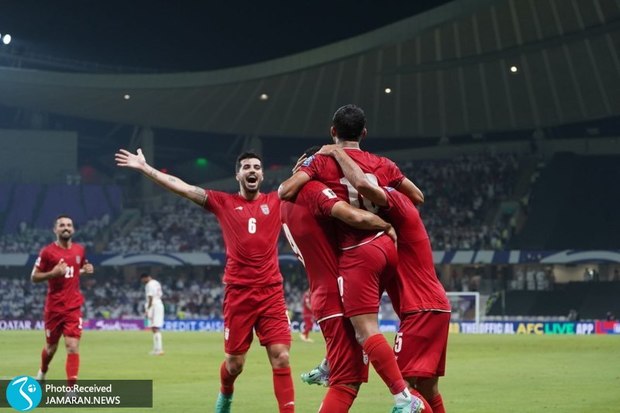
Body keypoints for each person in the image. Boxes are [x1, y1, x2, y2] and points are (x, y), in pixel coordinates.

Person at [115, 149, 294, 413]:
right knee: (235, 365)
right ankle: (225, 393)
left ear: (263, 174)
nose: (252, 170)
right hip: (238, 295)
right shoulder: (223, 202)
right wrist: (145, 168)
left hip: (271, 293)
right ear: (238, 174)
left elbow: (304, 179)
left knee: (281, 357)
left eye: (256, 166)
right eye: (246, 167)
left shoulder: (276, 199)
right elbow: (183, 188)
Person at [279, 105, 425, 413]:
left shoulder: (306, 186)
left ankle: (401, 397)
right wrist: (387, 219)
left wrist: (317, 161)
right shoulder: (382, 163)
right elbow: (415, 198)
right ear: (365, 133)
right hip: (382, 253)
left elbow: (327, 206)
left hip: (344, 272)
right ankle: (344, 368)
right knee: (349, 378)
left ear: (332, 133)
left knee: (353, 362)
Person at [320, 145, 452, 413]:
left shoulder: (394, 201)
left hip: (420, 309)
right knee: (428, 388)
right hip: (436, 306)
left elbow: (364, 186)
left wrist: (337, 153)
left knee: (403, 388)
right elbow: (419, 195)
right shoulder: (406, 205)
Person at [281, 147, 397, 412]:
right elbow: (351, 214)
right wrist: (385, 225)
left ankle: (328, 363)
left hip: (324, 292)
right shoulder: (312, 190)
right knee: (346, 383)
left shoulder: (285, 203)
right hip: (336, 295)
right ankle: (401, 394)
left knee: (348, 380)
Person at [32, 215, 94, 385]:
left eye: (69, 225)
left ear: (73, 229)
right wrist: (52, 273)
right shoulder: (47, 252)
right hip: (54, 308)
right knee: (51, 348)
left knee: (72, 346)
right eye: (62, 225)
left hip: (73, 307)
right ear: (55, 230)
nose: (66, 228)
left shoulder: (79, 250)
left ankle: (71, 389)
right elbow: (34, 277)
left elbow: (74, 270)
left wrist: (85, 269)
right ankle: (42, 372)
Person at [140, 273, 164, 355]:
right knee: (154, 328)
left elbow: (150, 297)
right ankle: (156, 349)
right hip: (159, 303)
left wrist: (148, 308)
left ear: (146, 277)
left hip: (154, 305)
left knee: (154, 327)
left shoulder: (149, 285)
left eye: (142, 279)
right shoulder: (156, 282)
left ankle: (159, 349)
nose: (142, 281)